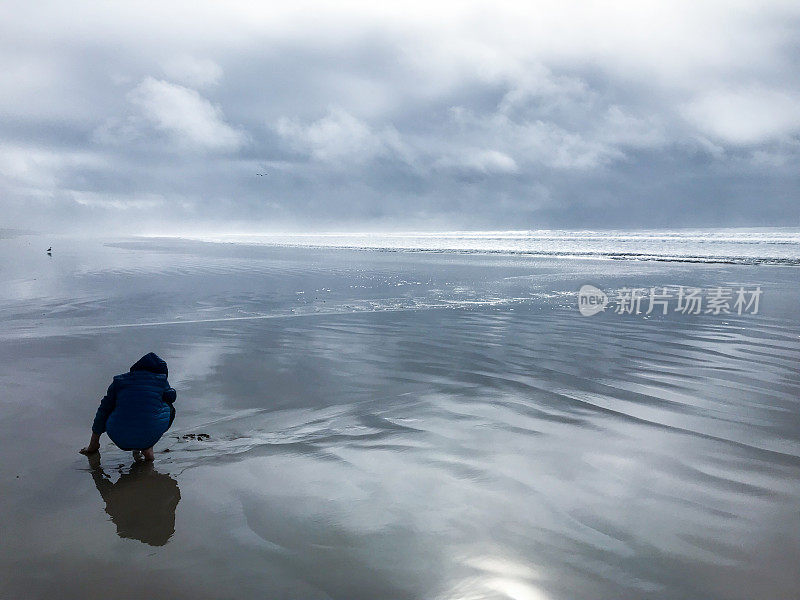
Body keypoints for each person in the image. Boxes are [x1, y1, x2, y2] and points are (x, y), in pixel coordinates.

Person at [80, 352, 177, 461]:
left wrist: (94, 443)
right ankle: (148, 447)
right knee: (169, 408)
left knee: (108, 408)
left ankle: (95, 444)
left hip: (119, 438)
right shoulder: (161, 381)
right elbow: (171, 397)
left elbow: (102, 412)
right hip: (149, 437)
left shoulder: (119, 381)